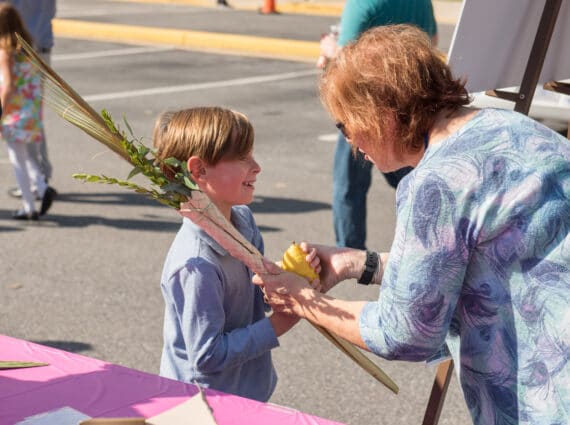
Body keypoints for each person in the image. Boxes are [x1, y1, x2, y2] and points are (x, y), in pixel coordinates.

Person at [254, 25, 570, 425]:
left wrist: (304, 301)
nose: (350, 142)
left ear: (381, 115)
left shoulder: (436, 182)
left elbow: (404, 332)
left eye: (345, 124)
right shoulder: (514, 129)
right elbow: (477, 261)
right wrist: (359, 263)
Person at [153, 107, 299, 402]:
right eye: (243, 157)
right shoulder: (195, 264)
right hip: (202, 406)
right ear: (199, 171)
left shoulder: (244, 221)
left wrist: (293, 278)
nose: (256, 167)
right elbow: (207, 356)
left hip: (247, 391)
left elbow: (255, 295)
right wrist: (278, 325)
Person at [318, 0, 438, 249]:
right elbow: (432, 41)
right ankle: (424, 239)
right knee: (413, 180)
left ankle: (349, 249)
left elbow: (344, 57)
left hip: (365, 108)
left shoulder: (363, 3)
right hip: (409, 109)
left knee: (349, 186)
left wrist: (329, 48)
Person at [0, 3, 54, 220]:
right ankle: (41, 189)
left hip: (13, 113)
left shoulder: (5, 52)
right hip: (30, 111)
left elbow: (9, 85)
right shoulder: (27, 48)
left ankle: (29, 205)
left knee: (17, 160)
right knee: (27, 156)